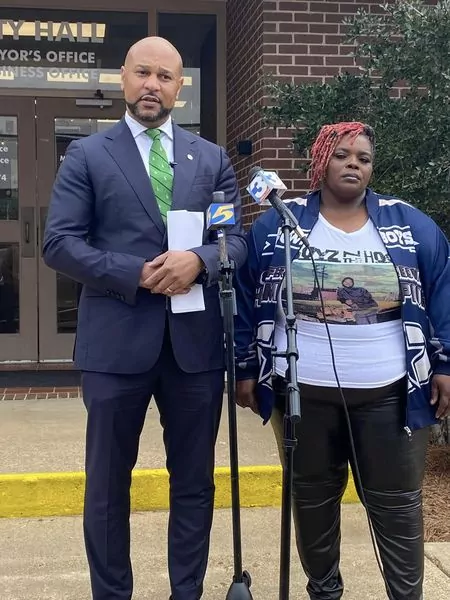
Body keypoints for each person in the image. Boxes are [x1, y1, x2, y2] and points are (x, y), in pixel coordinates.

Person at [43, 36, 246, 600]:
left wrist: (199, 261)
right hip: (115, 345)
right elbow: (59, 243)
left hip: (194, 349)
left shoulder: (211, 159)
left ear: (180, 87)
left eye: (165, 76)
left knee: (195, 483)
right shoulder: (87, 155)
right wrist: (135, 272)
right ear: (123, 78)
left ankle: (187, 592)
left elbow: (234, 240)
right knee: (108, 487)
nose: (152, 85)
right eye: (143, 73)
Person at [234, 122, 450, 599]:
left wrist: (445, 364)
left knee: (397, 506)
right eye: (342, 155)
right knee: (311, 500)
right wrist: (245, 366)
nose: (354, 163)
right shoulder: (279, 222)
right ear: (320, 160)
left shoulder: (408, 223)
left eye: (363, 158)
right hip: (301, 392)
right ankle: (324, 591)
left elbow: (443, 292)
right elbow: (245, 298)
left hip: (390, 392)